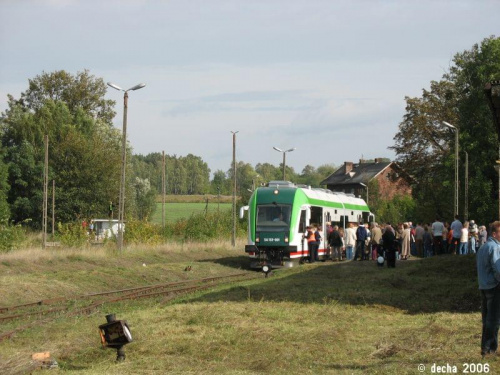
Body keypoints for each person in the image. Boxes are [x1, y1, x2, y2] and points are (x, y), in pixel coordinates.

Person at [476, 221, 500, 357]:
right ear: (494, 234)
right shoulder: (496, 248)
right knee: (494, 320)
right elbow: (498, 270)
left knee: (486, 320)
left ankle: (484, 347)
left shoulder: (483, 248)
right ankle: (490, 349)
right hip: (494, 287)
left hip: (483, 287)